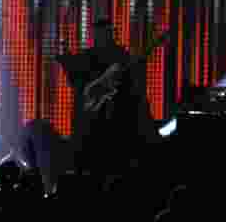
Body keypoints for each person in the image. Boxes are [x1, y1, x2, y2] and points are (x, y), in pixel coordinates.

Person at [55, 16, 155, 180]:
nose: (99, 38)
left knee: (111, 164)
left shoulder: (121, 55)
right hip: (91, 124)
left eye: (104, 34)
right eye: (97, 35)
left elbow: (131, 85)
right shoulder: (88, 56)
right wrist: (65, 57)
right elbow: (76, 77)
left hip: (115, 122)